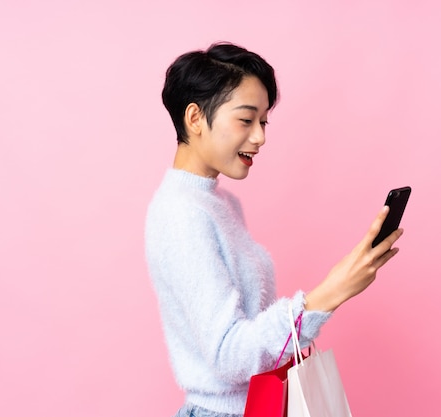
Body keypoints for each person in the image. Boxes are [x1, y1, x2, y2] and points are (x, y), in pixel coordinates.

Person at [145, 42, 403, 417]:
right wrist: (325, 296)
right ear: (195, 118)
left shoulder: (220, 204)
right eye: (246, 120)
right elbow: (228, 355)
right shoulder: (181, 214)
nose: (260, 137)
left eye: (263, 122)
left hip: (258, 407)